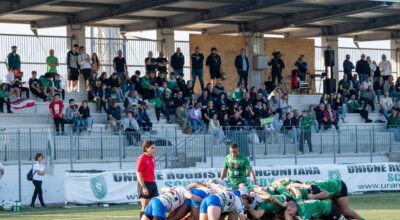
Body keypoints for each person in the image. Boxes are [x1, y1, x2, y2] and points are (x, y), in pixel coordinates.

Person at [137, 140, 158, 219]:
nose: (154, 150)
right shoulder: (141, 158)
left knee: (155, 204)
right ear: (146, 148)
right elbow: (138, 173)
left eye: (154, 148)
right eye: (152, 148)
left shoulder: (152, 158)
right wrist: (143, 187)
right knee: (145, 207)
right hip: (145, 184)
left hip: (152, 183)